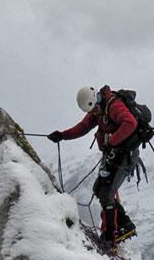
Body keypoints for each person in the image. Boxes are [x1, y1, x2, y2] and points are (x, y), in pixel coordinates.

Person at [48, 86, 139, 245]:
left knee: (106, 193)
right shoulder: (97, 110)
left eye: (95, 109)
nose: (95, 113)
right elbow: (82, 127)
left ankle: (111, 236)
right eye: (92, 111)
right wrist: (62, 135)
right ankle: (124, 224)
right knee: (99, 189)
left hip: (125, 156)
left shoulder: (113, 106)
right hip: (114, 154)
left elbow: (130, 123)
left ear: (97, 99)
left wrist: (111, 142)